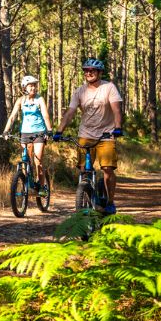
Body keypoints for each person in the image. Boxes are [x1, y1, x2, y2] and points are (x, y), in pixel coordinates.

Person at [53, 58, 124, 214]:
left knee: (107, 169)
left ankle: (110, 202)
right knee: (83, 169)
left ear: (99, 72)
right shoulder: (80, 91)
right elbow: (70, 112)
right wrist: (59, 131)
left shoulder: (109, 87)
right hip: (85, 134)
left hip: (106, 135)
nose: (88, 73)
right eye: (86, 70)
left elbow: (117, 110)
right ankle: (86, 197)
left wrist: (118, 127)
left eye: (92, 70)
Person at [3, 74, 52, 190]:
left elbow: (45, 115)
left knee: (37, 160)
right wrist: (6, 131)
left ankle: (41, 187)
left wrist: (49, 130)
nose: (33, 88)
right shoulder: (20, 100)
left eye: (34, 85)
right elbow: (12, 117)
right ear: (24, 87)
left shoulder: (39, 99)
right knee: (26, 160)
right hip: (25, 133)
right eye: (30, 86)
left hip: (39, 132)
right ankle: (27, 185)